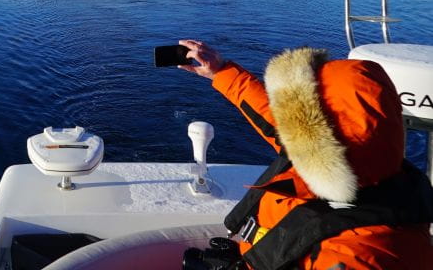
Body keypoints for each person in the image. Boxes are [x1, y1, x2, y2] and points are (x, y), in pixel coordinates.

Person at [177, 39, 433, 270]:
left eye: (300, 112)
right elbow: (270, 116)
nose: (289, 121)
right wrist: (221, 71)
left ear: (323, 129)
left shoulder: (365, 253)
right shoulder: (362, 161)